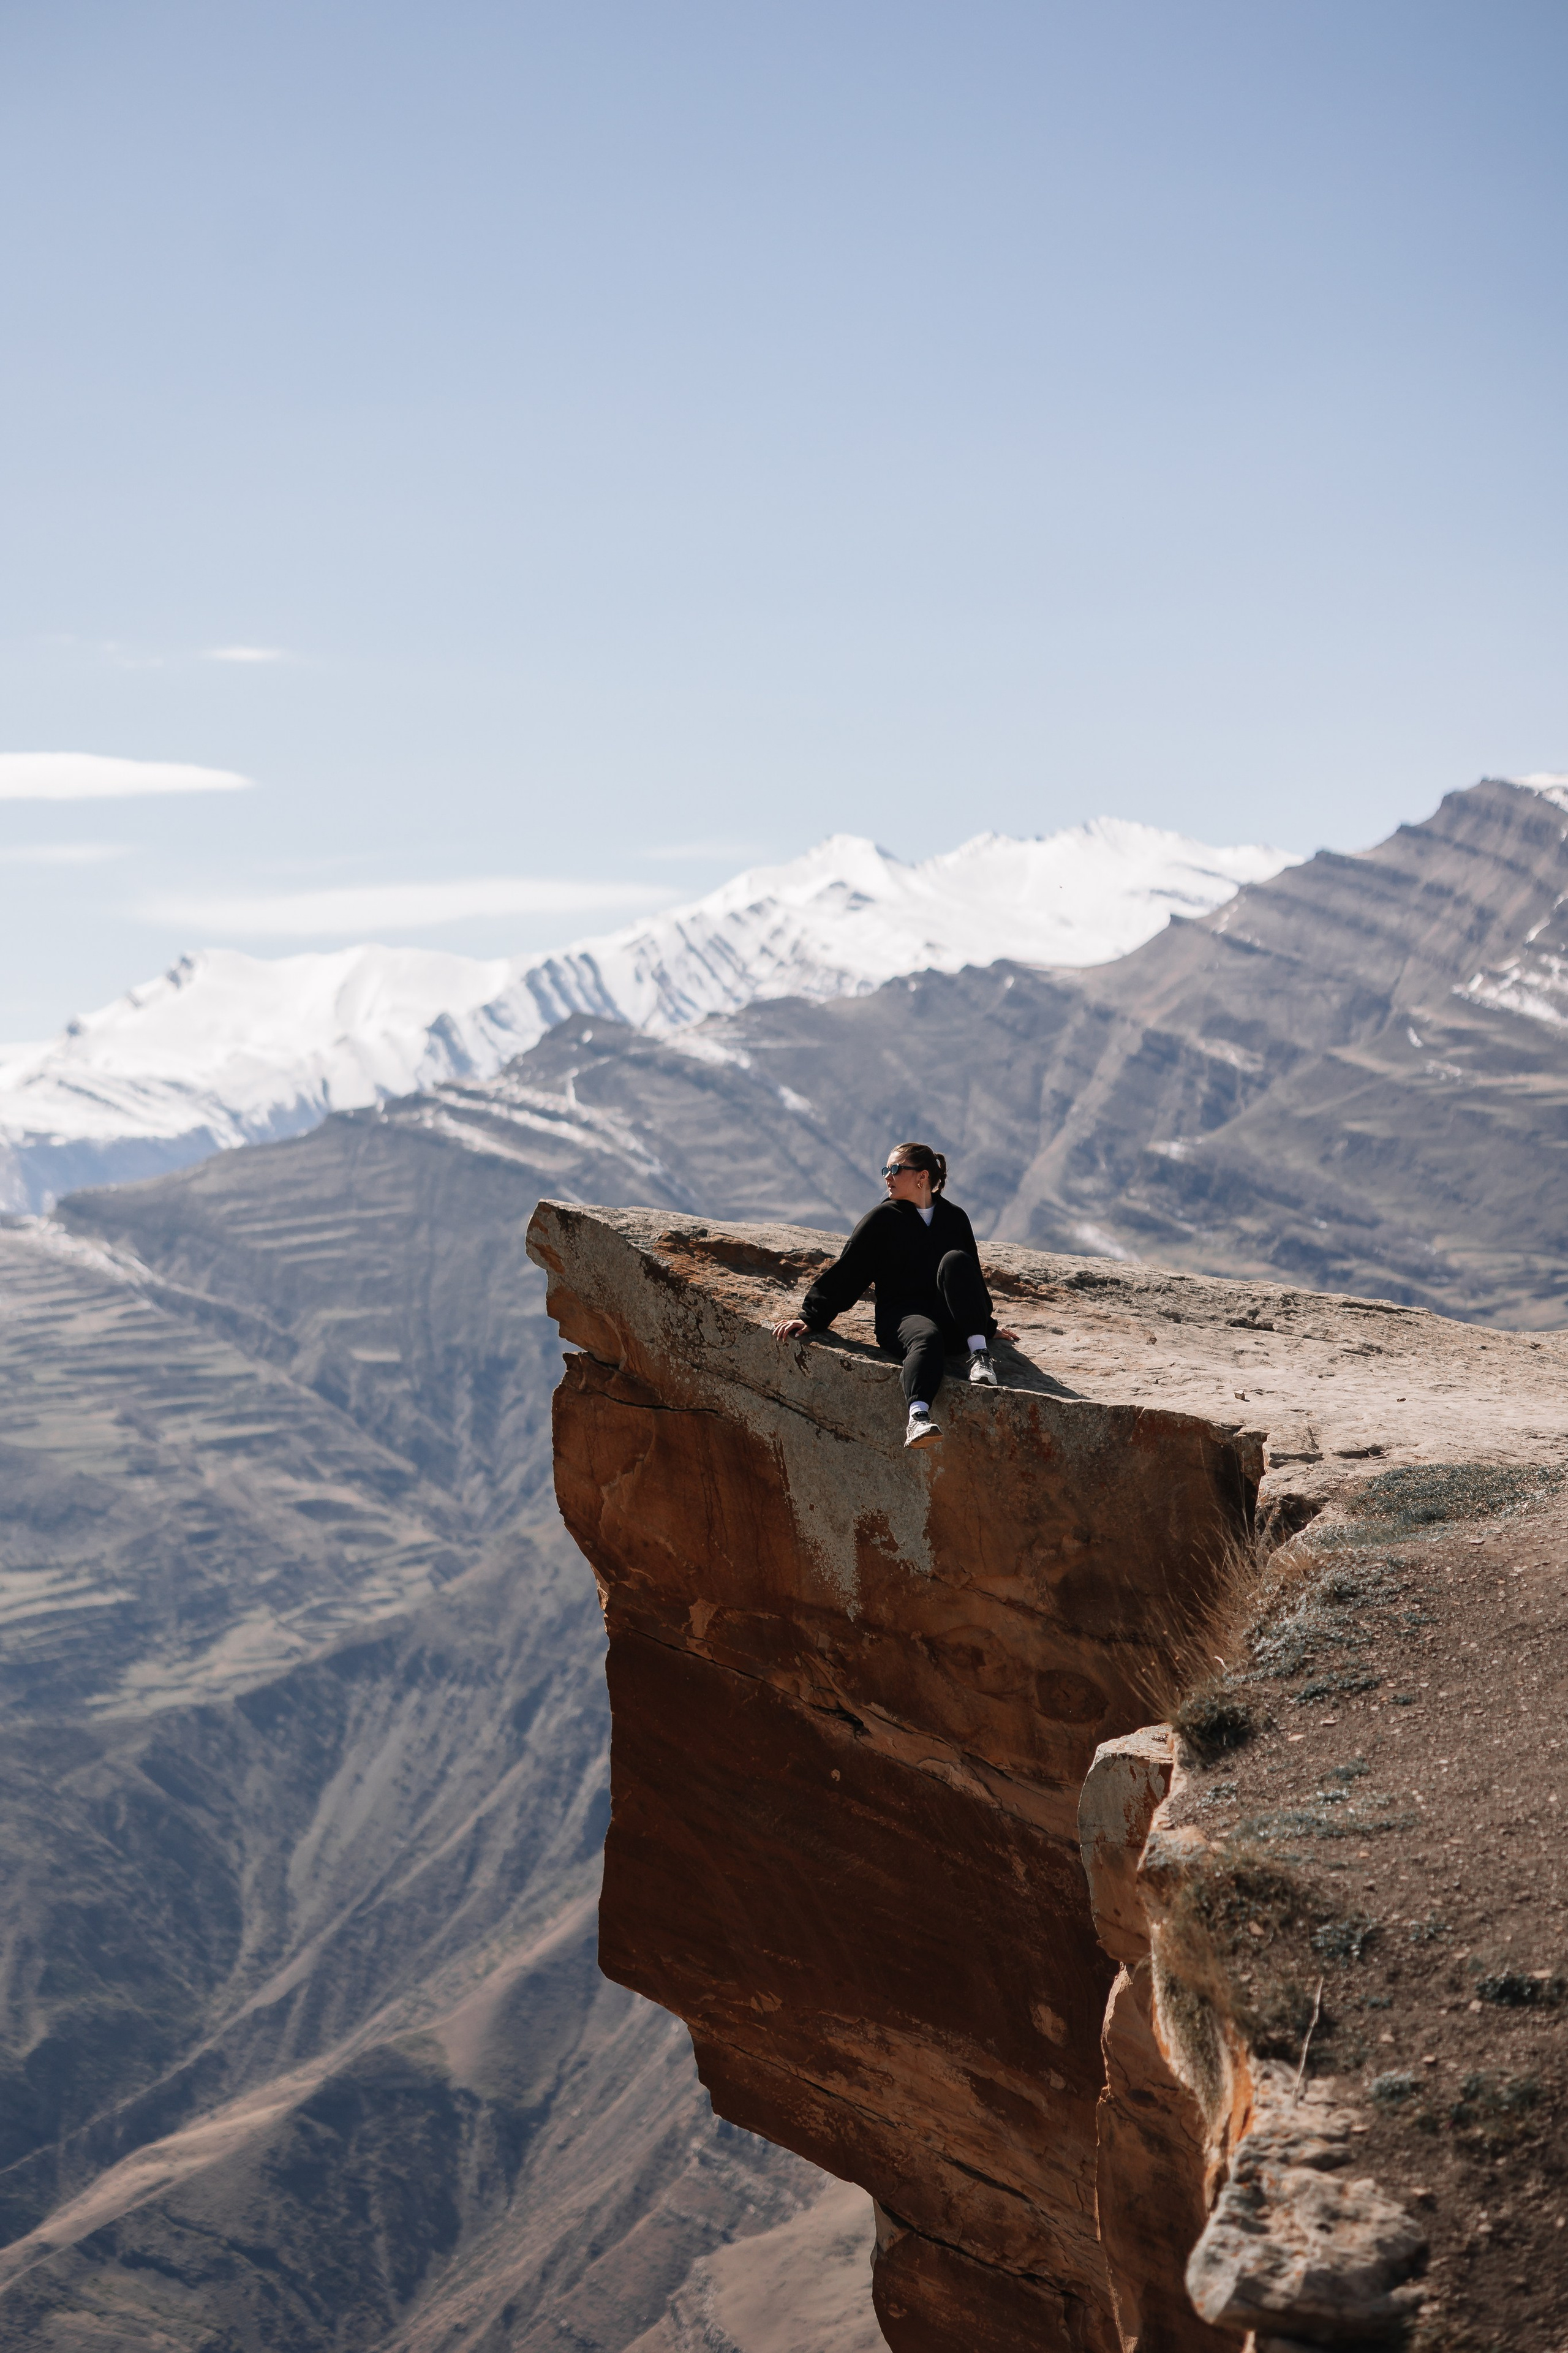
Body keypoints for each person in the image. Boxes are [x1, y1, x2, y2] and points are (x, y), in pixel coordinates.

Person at [771, 1142, 1017, 1449]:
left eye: (895, 1169)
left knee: (956, 1260)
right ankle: (918, 1418)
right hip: (903, 1319)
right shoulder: (882, 1219)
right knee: (927, 1338)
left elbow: (970, 1280)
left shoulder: (955, 1218)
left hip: (953, 1320)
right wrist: (812, 1316)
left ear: (922, 1176)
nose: (887, 1177)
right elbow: (850, 1270)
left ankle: (980, 1356)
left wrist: (986, 1325)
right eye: (885, 1170)